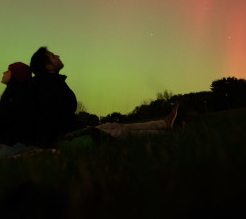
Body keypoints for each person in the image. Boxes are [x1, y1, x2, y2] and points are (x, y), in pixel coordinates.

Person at [27, 46, 180, 146]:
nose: (58, 55)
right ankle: (162, 134)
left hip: (74, 130)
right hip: (67, 137)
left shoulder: (53, 82)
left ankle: (164, 124)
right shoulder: (47, 86)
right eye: (53, 56)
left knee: (114, 126)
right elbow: (48, 119)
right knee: (118, 133)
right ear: (48, 66)